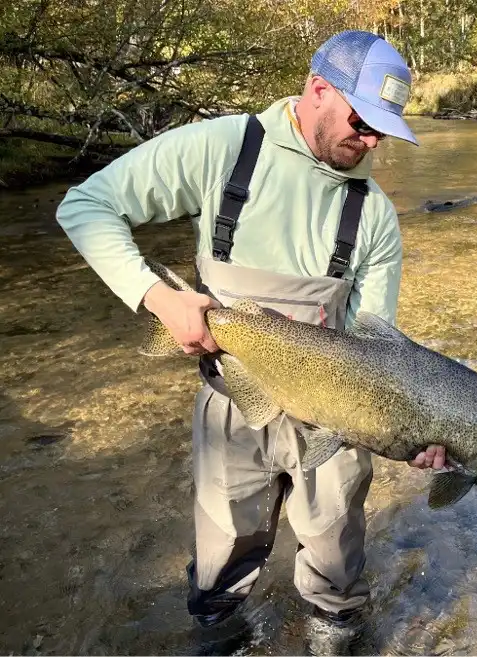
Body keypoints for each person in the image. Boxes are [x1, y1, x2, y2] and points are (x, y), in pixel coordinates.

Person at [56, 30, 447, 656]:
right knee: (221, 562)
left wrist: (415, 432)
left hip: (338, 414)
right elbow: (86, 206)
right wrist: (160, 298)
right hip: (232, 406)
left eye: (382, 131)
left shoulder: (374, 214)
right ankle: (221, 639)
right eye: (361, 121)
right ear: (318, 87)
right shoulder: (223, 148)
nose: (371, 142)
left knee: (337, 569)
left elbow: (381, 351)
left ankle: (333, 638)